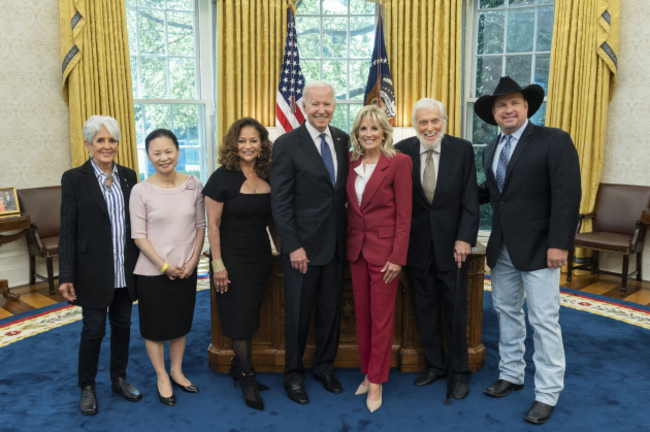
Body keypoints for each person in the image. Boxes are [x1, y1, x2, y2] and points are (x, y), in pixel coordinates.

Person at [475, 76, 581, 424]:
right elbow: (492, 193)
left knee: (544, 319)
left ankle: (548, 393)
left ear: (526, 107)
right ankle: (511, 374)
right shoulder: (491, 149)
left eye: (514, 103)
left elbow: (567, 197)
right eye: (501, 105)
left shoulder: (554, 141)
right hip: (503, 247)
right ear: (494, 113)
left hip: (540, 249)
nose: (508, 109)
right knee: (506, 311)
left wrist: (559, 245)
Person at [270, 80, 349, 405]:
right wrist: (293, 245)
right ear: (303, 105)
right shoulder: (287, 143)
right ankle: (293, 374)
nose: (321, 110)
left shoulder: (344, 140)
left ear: (334, 105)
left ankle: (324, 368)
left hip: (336, 246)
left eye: (327, 104)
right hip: (302, 249)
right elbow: (281, 201)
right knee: (299, 315)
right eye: (315, 104)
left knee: (331, 312)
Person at [395, 99, 479, 399]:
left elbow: (470, 198)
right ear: (415, 124)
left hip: (452, 246)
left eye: (435, 121)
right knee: (425, 308)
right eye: (423, 122)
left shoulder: (462, 149)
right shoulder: (402, 150)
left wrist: (464, 238)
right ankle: (435, 366)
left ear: (444, 121)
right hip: (416, 246)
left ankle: (458, 373)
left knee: (455, 311)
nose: (429, 128)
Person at [58, 115, 142, 415]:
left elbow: (137, 225)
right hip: (91, 271)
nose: (107, 146)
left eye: (112, 140)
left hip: (125, 269)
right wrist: (65, 274)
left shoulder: (130, 176)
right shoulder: (74, 179)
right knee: (93, 330)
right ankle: (88, 387)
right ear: (88, 144)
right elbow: (67, 230)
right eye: (100, 140)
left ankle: (119, 379)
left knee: (123, 326)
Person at [129, 129, 205, 407]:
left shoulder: (194, 185)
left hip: (186, 268)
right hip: (152, 271)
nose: (164, 157)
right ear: (148, 156)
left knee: (179, 324)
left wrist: (193, 261)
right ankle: (161, 375)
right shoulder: (141, 190)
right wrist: (163, 266)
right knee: (154, 327)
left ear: (178, 151)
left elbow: (200, 227)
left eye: (168, 151)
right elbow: (139, 236)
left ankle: (177, 370)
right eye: (156, 153)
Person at [203, 117, 273, 411]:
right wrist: (218, 264)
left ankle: (237, 365)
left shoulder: (269, 173)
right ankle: (247, 375)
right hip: (232, 257)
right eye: (242, 140)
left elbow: (274, 220)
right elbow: (213, 225)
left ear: (261, 144)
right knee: (240, 318)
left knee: (253, 313)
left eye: (253, 140)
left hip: (261, 256)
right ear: (234, 144)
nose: (248, 146)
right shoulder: (221, 178)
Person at [346, 105, 412, 412]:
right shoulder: (351, 161)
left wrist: (398, 257)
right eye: (363, 128)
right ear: (356, 133)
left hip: (386, 255)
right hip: (356, 251)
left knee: (382, 320)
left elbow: (404, 215)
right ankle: (367, 371)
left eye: (374, 128)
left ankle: (377, 382)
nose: (369, 133)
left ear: (384, 131)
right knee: (363, 317)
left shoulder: (399, 163)